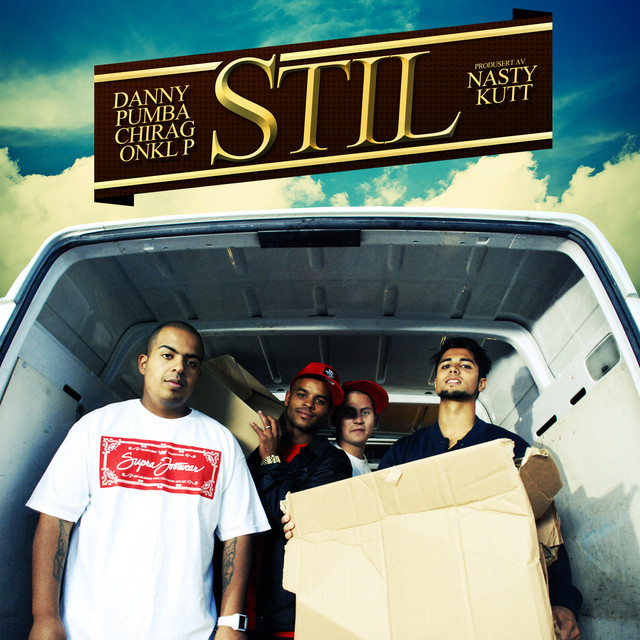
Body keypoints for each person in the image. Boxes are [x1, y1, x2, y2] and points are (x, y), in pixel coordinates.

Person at [26, 321, 269, 640]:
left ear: (198, 375)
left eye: (191, 362)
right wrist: (44, 618)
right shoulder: (96, 428)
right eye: (168, 355)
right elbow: (56, 520)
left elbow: (239, 535)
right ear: (144, 363)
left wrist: (230, 623)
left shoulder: (221, 442)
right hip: (90, 628)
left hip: (188, 633)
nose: (179, 367)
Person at [378, 337, 583, 640]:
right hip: (423, 598)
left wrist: (562, 600)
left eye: (465, 365)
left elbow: (542, 524)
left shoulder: (509, 447)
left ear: (482, 383)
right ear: (436, 381)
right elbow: (378, 522)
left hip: (494, 597)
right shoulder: (403, 452)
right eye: (446, 365)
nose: (454, 369)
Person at [248, 363, 352, 638]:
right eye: (302, 394)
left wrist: (271, 459)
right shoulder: (250, 444)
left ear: (328, 412)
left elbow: (295, 518)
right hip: (236, 604)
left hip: (286, 611)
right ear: (287, 398)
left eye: (320, 401)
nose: (308, 404)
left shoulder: (333, 461)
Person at [332, 380, 389, 476]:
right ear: (335, 418)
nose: (359, 420)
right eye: (349, 412)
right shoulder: (331, 467)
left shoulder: (359, 461)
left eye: (365, 412)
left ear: (374, 419)